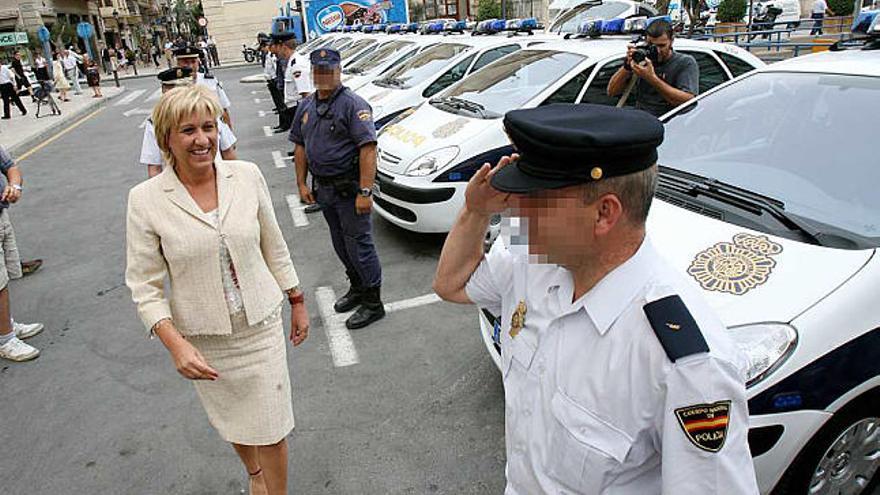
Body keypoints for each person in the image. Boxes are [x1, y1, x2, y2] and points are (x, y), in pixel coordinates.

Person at [433, 104, 759, 494]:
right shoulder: (531, 257)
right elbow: (451, 285)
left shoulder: (687, 366)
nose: (515, 209)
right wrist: (475, 211)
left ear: (604, 213)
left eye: (535, 198)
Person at [125, 85, 309, 495]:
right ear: (166, 139)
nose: (202, 139)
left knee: (272, 425)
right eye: (188, 130)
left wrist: (297, 299)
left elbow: (273, 244)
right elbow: (144, 285)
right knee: (234, 419)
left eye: (209, 127)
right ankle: (255, 473)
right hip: (205, 337)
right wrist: (175, 344)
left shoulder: (247, 176)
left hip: (260, 325)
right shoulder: (146, 200)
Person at [290, 48, 385, 330]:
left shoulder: (353, 105)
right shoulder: (307, 106)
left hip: (350, 188)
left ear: (339, 72)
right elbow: (300, 145)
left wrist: (365, 192)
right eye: (319, 71)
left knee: (360, 246)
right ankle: (357, 287)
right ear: (312, 73)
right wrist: (301, 182)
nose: (324, 76)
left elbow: (368, 149)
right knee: (341, 244)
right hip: (326, 190)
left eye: (329, 71)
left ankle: (373, 302)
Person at [140, 67, 238, 178]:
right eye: (188, 130)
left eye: (207, 128)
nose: (202, 140)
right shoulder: (155, 123)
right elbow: (154, 167)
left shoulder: (209, 113)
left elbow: (229, 154)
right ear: (164, 91)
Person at [0, 146, 45, 362]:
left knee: (5, 276)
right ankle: (5, 339)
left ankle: (5, 324)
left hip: (1, 216)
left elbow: (11, 167)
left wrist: (14, 186)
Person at [607, 19, 699, 117]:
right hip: (640, 119)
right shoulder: (643, 60)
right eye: (651, 46)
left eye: (662, 46)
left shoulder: (684, 62)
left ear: (671, 41)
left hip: (669, 121)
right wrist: (627, 66)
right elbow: (612, 92)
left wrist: (652, 78)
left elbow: (688, 101)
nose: (657, 51)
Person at [174, 45, 233, 129]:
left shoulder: (210, 81)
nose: (190, 66)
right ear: (178, 64)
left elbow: (223, 109)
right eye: (186, 62)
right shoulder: (173, 85)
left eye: (193, 62)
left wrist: (229, 132)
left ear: (198, 62)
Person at [278, 35, 313, 133]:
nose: (278, 52)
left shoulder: (297, 64)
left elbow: (305, 93)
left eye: (278, 48)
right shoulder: (292, 61)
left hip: (299, 108)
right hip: (295, 107)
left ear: (284, 47)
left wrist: (307, 114)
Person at [262, 39, 285, 131]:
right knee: (278, 104)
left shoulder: (273, 57)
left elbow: (276, 69)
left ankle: (284, 123)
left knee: (281, 104)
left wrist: (276, 80)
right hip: (271, 81)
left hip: (275, 81)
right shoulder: (269, 55)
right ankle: (282, 123)